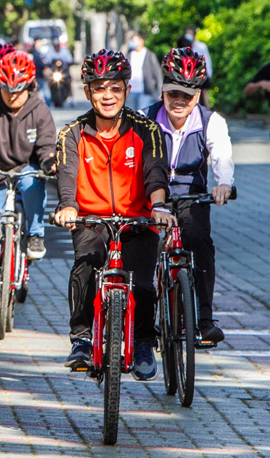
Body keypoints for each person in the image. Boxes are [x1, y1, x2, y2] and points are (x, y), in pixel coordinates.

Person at [54, 49, 176, 381]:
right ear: (87, 91)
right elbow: (66, 174)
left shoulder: (146, 130)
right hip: (91, 219)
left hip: (138, 219)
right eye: (99, 88)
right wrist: (68, 206)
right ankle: (81, 338)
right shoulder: (71, 134)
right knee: (87, 264)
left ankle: (142, 343)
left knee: (143, 282)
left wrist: (159, 206)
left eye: (115, 88)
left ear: (126, 88)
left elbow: (155, 173)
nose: (107, 96)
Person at [145, 47, 233, 344]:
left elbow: (221, 156)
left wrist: (223, 184)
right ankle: (144, 324)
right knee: (141, 248)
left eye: (188, 94)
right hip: (150, 195)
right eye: (173, 94)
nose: (179, 101)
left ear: (197, 95)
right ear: (163, 91)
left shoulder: (211, 122)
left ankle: (205, 320)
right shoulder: (146, 120)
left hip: (191, 197)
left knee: (199, 241)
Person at [0, 51, 56, 318]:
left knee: (32, 179)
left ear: (29, 86)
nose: (11, 96)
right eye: (6, 89)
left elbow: (46, 145)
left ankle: (36, 234)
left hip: (25, 171)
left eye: (17, 91)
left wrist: (50, 162)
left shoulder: (39, 109)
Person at [126, 32, 162, 112]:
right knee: (130, 114)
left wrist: (160, 90)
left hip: (144, 92)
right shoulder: (129, 55)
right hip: (131, 91)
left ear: (141, 41)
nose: (133, 42)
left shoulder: (149, 55)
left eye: (134, 40)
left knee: (143, 114)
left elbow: (157, 73)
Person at [184, 25, 213, 108]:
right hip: (190, 74)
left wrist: (209, 74)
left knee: (204, 92)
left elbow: (207, 60)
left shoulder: (201, 46)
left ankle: (207, 110)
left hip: (201, 72)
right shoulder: (185, 46)